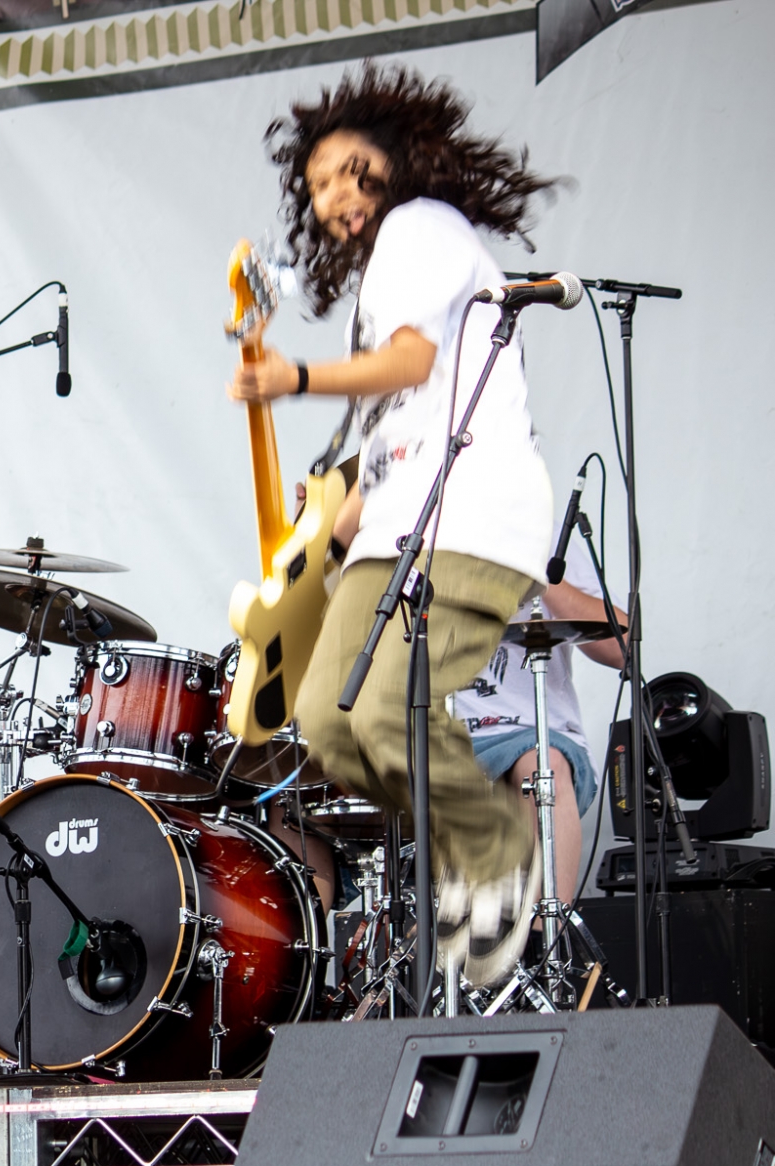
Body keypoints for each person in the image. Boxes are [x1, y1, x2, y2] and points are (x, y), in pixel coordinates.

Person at [229, 63, 562, 987]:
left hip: (473, 515)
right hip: (398, 525)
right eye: (318, 183)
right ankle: (471, 837)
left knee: (384, 708)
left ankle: (492, 845)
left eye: (345, 168)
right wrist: (333, 516)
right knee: (330, 728)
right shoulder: (382, 274)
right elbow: (399, 423)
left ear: (392, 155)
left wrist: (291, 380)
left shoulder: (423, 228)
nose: (333, 192)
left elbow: (412, 364)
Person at [453, 561, 626, 906]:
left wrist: (534, 568)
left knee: (543, 765)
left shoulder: (545, 536)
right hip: (440, 733)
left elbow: (620, 647)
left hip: (534, 732)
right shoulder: (416, 525)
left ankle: (546, 934)